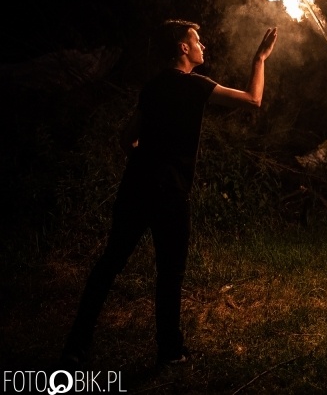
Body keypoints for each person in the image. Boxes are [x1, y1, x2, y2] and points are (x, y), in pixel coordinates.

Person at [61, 20, 278, 367]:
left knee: (109, 264)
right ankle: (169, 349)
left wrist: (145, 162)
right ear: (182, 48)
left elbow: (126, 138)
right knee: (170, 271)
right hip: (170, 192)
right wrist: (260, 59)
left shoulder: (152, 87)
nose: (202, 45)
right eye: (197, 40)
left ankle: (75, 346)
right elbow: (253, 100)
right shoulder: (194, 86)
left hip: (136, 185)